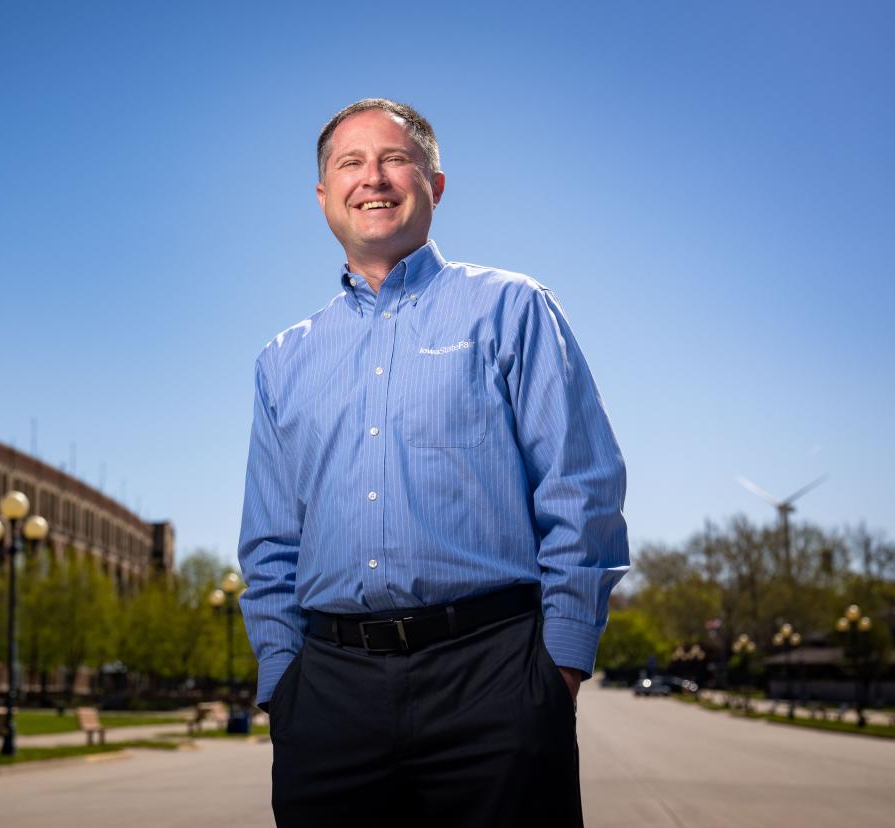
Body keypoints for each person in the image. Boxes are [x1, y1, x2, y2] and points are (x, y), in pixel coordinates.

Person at [237, 98, 629, 827]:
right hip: (328, 697)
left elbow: (580, 488)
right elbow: (270, 542)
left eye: (394, 159)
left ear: (435, 184)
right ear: (324, 195)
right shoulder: (282, 361)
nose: (372, 179)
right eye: (348, 164)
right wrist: (282, 684)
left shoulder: (512, 309)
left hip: (495, 679)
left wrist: (559, 670)